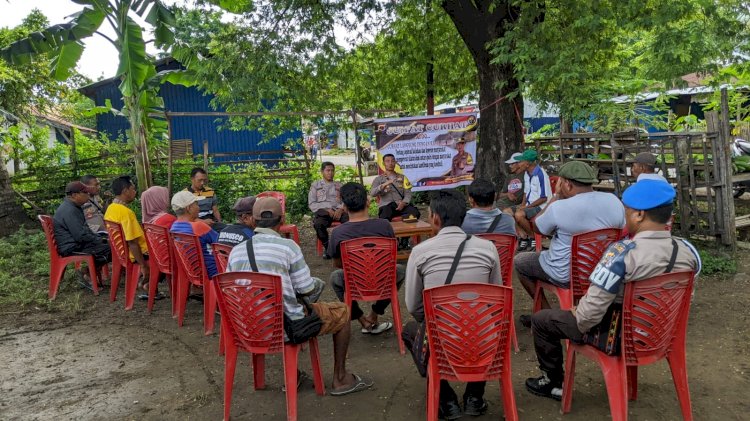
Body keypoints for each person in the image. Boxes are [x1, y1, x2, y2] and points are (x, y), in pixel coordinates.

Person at [525, 179, 701, 401]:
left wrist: (574, 311)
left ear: (638, 215)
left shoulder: (620, 253)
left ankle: (553, 383)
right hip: (661, 334)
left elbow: (587, 317)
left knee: (542, 320)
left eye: (627, 211)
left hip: (618, 337)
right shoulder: (686, 253)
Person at [227, 197, 373, 396]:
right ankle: (341, 378)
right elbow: (306, 290)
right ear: (283, 219)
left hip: (248, 327)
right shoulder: (288, 247)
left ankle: (294, 376)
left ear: (253, 220)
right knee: (343, 312)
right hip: (285, 328)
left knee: (277, 305)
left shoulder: (235, 252)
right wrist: (314, 283)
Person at [403, 189, 502, 420]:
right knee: (485, 326)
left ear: (435, 218)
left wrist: (436, 321)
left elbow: (413, 306)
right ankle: (474, 398)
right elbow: (496, 300)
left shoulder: (419, 252)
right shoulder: (488, 248)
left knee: (410, 331)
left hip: (441, 343)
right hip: (483, 341)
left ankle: (447, 400)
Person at [514, 161, 625, 326]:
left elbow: (538, 227)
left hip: (564, 274)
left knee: (520, 262)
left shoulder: (558, 207)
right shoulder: (613, 201)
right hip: (602, 270)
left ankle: (546, 314)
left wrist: (556, 197)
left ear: (566, 183)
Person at [328, 182, 404, 334]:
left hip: (354, 283)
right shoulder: (385, 226)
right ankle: (374, 314)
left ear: (344, 206)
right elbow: (392, 259)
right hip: (383, 280)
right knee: (400, 270)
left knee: (336, 277)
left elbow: (337, 264)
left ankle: (362, 318)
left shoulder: (338, 233)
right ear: (368, 202)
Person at [53, 181, 112, 287]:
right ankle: (87, 272)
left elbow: (84, 232)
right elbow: (80, 235)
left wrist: (100, 238)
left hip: (74, 243)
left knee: (107, 242)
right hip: (71, 247)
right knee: (110, 247)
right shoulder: (69, 210)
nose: (88, 196)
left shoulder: (72, 206)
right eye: (85, 193)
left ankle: (88, 272)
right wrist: (101, 240)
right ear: (74, 195)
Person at [104, 176, 149, 288]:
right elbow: (132, 243)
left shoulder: (111, 208)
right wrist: (143, 265)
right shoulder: (126, 213)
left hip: (122, 253)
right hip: (138, 255)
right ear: (125, 191)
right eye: (133, 189)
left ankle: (150, 285)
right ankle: (149, 283)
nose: (135, 191)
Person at [170, 191, 219, 278]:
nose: (199, 208)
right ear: (189, 208)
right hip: (211, 271)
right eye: (196, 204)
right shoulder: (198, 226)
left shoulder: (174, 227)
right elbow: (221, 242)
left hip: (191, 270)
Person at [512, 149, 552, 250]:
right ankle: (524, 237)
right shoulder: (527, 173)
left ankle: (533, 237)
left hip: (541, 206)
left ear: (528, 163)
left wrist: (526, 207)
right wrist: (523, 204)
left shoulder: (540, 174)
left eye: (521, 161)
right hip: (529, 205)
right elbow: (526, 191)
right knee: (506, 212)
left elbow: (544, 198)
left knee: (518, 214)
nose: (518, 164)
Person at [309, 162, 348, 259]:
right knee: (318, 224)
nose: (330, 173)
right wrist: (326, 210)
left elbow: (346, 200)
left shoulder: (339, 185)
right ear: (322, 172)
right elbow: (312, 203)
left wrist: (341, 209)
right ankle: (328, 248)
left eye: (332, 170)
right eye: (328, 170)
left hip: (339, 211)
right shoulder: (316, 185)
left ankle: (346, 246)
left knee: (349, 222)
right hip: (323, 212)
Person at [370, 154, 420, 221]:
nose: (390, 163)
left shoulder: (402, 177)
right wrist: (384, 185)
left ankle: (401, 223)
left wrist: (404, 203)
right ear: (383, 163)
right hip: (386, 206)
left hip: (400, 205)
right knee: (384, 216)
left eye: (392, 161)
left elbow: (408, 193)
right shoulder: (378, 179)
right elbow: (372, 193)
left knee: (415, 213)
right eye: (387, 161)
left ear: (395, 163)